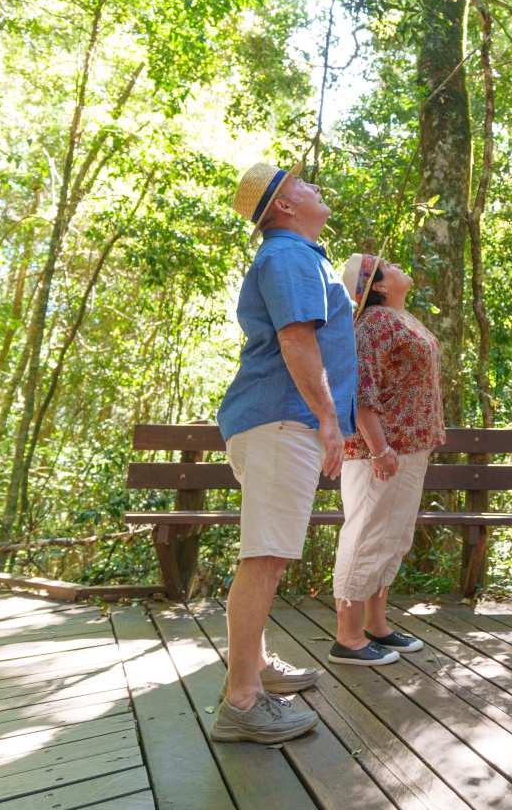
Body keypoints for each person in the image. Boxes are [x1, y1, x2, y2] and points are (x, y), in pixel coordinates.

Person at [212, 160, 357, 744]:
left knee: (268, 552)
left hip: (274, 420)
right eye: (301, 184)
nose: (314, 185)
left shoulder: (299, 255)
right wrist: (327, 419)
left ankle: (260, 671)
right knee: (267, 555)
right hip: (281, 419)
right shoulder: (290, 256)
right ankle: (242, 702)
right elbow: (297, 339)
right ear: (284, 207)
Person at [329, 253, 445, 665]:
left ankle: (376, 626)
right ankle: (347, 636)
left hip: (408, 448)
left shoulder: (400, 318)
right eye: (388, 265)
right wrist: (379, 449)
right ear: (376, 286)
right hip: (381, 451)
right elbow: (362, 390)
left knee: (393, 538)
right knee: (367, 536)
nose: (397, 266)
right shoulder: (374, 324)